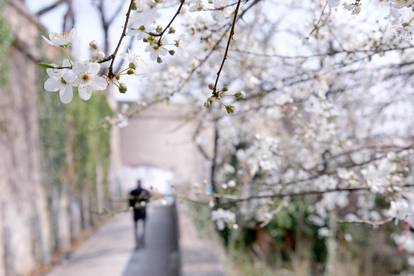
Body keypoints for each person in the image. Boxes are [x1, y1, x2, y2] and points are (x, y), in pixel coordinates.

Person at [128, 179, 151, 249]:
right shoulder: (134, 192)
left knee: (141, 228)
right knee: (137, 229)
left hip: (141, 212)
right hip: (137, 212)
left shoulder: (142, 191)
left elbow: (147, 200)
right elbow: (130, 202)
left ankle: (141, 242)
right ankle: (138, 243)